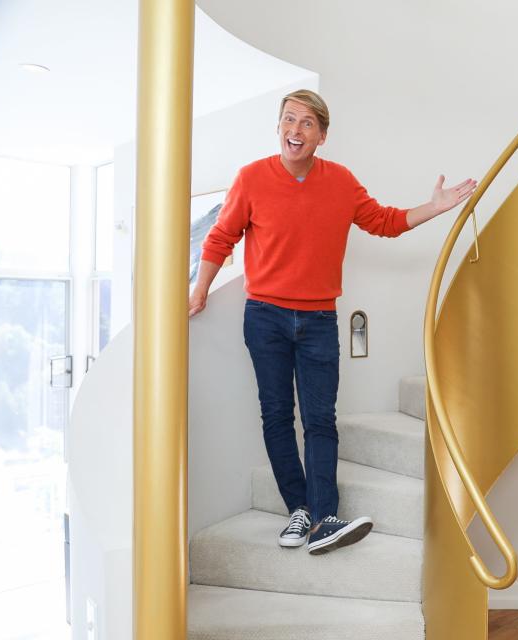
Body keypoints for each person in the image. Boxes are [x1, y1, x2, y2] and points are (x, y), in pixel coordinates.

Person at [189, 89, 476, 554]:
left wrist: (435, 208)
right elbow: (221, 239)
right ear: (278, 128)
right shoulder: (251, 178)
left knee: (321, 420)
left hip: (319, 319)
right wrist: (200, 290)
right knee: (277, 415)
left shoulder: (340, 182)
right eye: (288, 120)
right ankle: (298, 510)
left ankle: (325, 518)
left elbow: (384, 220)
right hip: (265, 317)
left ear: (322, 135)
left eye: (306, 123)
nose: (295, 130)